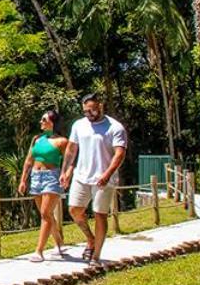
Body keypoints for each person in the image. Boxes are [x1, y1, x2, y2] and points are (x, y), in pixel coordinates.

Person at [61, 93, 128, 262]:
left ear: (100, 105)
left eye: (91, 110)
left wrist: (107, 174)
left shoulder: (115, 127)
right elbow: (71, 150)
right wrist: (66, 171)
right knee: (74, 209)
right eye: (85, 111)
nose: (88, 114)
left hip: (103, 179)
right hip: (82, 176)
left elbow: (120, 154)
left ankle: (96, 255)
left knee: (100, 214)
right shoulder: (79, 125)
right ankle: (90, 239)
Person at [17, 109, 71, 262]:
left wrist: (66, 175)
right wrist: (23, 180)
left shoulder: (61, 141)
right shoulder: (36, 139)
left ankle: (39, 251)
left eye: (44, 120)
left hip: (51, 177)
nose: (41, 122)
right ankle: (59, 243)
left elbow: (69, 161)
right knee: (45, 214)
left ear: (52, 122)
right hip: (36, 177)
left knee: (46, 213)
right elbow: (29, 160)